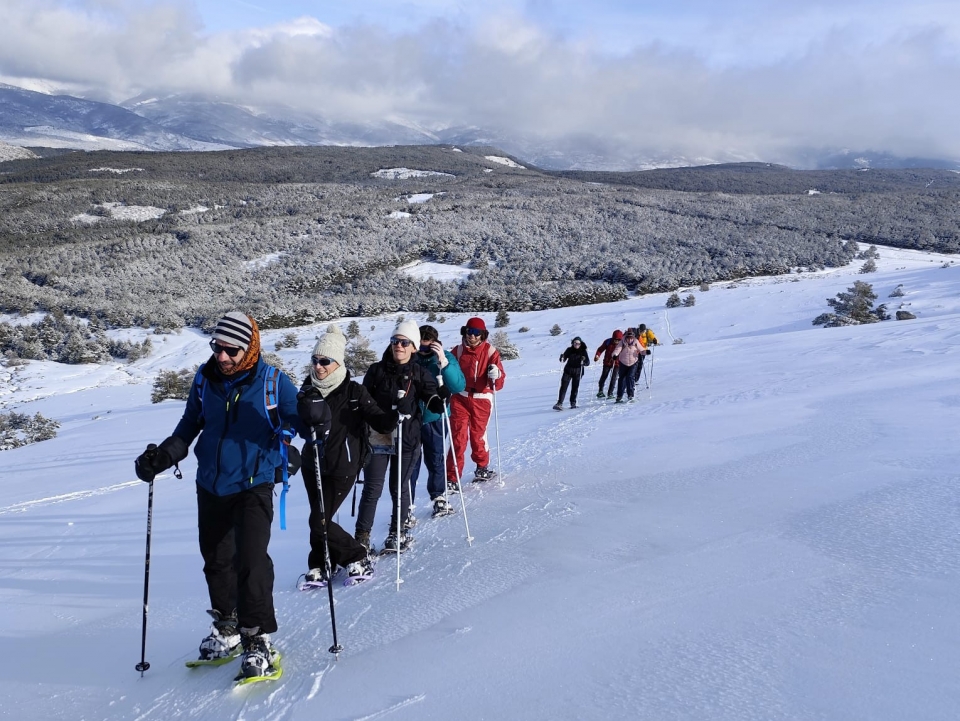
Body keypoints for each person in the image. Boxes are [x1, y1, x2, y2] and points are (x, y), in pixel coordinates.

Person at [134, 312, 306, 680]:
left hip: (253, 482)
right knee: (216, 558)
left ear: (249, 348)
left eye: (231, 350)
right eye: (217, 348)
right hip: (211, 483)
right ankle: (227, 624)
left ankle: (256, 636)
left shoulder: (273, 381)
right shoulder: (204, 378)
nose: (222, 357)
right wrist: (163, 457)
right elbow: (190, 424)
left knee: (251, 559)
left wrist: (301, 431)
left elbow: (298, 419)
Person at [298, 324, 398, 584]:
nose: (318, 366)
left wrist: (396, 415)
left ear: (338, 363)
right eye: (315, 360)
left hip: (344, 466)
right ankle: (321, 562)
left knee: (319, 519)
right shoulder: (307, 388)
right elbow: (297, 425)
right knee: (319, 515)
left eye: (325, 361)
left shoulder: (354, 392)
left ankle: (356, 555)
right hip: (313, 464)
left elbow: (379, 420)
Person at [356, 319, 445, 553]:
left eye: (405, 342)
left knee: (399, 486)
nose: (399, 346)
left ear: (414, 347)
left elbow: (430, 396)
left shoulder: (419, 372)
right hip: (379, 434)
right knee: (372, 488)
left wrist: (437, 401)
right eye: (395, 341)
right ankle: (362, 537)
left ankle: (398, 531)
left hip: (407, 436)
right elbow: (365, 401)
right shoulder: (376, 370)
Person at [411, 324, 466, 517]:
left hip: (436, 416)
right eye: (421, 346)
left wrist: (443, 362)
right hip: (412, 417)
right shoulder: (411, 356)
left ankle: (439, 496)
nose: (423, 351)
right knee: (411, 462)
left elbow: (458, 385)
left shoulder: (444, 358)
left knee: (435, 459)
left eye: (427, 347)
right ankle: (406, 505)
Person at [447, 316, 506, 485]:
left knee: (477, 436)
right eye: (468, 332)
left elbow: (499, 383)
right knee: (457, 438)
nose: (471, 336)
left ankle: (482, 467)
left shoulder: (490, 352)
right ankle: (452, 477)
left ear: (482, 335)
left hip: (481, 398)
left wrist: (496, 375)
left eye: (475, 333)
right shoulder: (457, 351)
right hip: (460, 397)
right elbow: (447, 370)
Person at [554, 336, 590, 410]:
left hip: (578, 372)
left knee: (574, 388)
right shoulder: (569, 350)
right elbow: (563, 359)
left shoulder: (583, 351)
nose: (576, 344)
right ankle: (559, 403)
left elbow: (588, 362)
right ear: (573, 343)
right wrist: (562, 357)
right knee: (563, 387)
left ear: (580, 344)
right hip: (568, 371)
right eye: (575, 343)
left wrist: (583, 362)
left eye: (578, 343)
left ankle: (573, 403)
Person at [611, 328, 644, 403]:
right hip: (623, 362)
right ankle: (619, 397)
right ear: (626, 337)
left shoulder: (636, 342)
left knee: (630, 377)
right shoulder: (622, 342)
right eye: (628, 337)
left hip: (633, 362)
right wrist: (614, 355)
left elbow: (641, 349)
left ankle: (630, 396)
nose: (629, 339)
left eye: (631, 337)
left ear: (633, 337)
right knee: (621, 379)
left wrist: (645, 352)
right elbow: (617, 350)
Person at [594, 330, 622, 399]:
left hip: (617, 363)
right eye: (616, 339)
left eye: (619, 340)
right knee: (604, 376)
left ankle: (610, 393)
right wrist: (597, 355)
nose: (617, 341)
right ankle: (600, 390)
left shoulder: (622, 344)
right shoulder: (608, 342)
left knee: (614, 378)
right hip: (607, 362)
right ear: (613, 338)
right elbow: (600, 349)